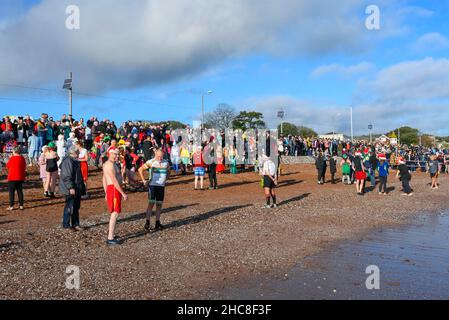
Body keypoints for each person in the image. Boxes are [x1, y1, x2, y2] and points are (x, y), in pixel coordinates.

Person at [138, 149, 170, 231]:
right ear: (155, 155)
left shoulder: (166, 162)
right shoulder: (151, 162)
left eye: (161, 156)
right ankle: (147, 222)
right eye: (158, 156)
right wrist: (144, 180)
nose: (160, 158)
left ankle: (157, 222)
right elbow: (140, 169)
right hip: (152, 185)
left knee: (159, 204)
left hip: (161, 186)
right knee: (151, 203)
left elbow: (168, 171)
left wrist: (166, 178)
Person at [102, 147, 128, 245]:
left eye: (117, 154)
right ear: (110, 153)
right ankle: (110, 237)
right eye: (115, 154)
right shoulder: (109, 165)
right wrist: (122, 193)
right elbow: (113, 180)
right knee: (115, 213)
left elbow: (104, 179)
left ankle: (111, 235)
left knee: (115, 212)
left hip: (112, 189)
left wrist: (106, 192)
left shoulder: (112, 164)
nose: (117, 156)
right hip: (113, 189)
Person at [59, 146, 85, 231]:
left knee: (76, 207)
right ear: (72, 153)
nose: (78, 154)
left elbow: (78, 175)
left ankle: (75, 224)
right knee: (70, 207)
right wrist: (70, 187)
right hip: (70, 188)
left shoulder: (74, 161)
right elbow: (66, 176)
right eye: (77, 152)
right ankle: (66, 225)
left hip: (76, 187)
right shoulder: (68, 161)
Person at [6, 147, 26, 211]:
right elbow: (24, 167)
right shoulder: (22, 158)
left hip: (12, 177)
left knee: (11, 192)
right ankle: (21, 205)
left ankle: (11, 206)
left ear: (14, 151)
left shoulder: (12, 158)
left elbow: (8, 166)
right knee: (20, 191)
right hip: (20, 177)